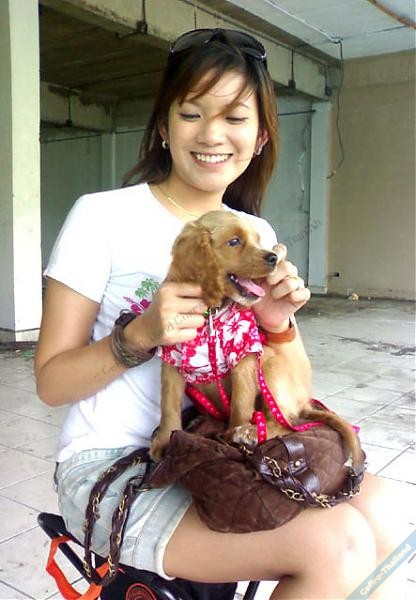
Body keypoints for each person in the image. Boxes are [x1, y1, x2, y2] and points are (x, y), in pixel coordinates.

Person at [35, 28, 403, 599]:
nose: (211, 134)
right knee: (338, 544)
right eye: (191, 113)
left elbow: (292, 390)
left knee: (383, 512)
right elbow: (50, 383)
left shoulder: (255, 234)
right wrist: (140, 334)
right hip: (113, 463)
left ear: (260, 137)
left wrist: (276, 325)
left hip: (219, 445)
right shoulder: (101, 217)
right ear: (163, 126)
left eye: (235, 117)